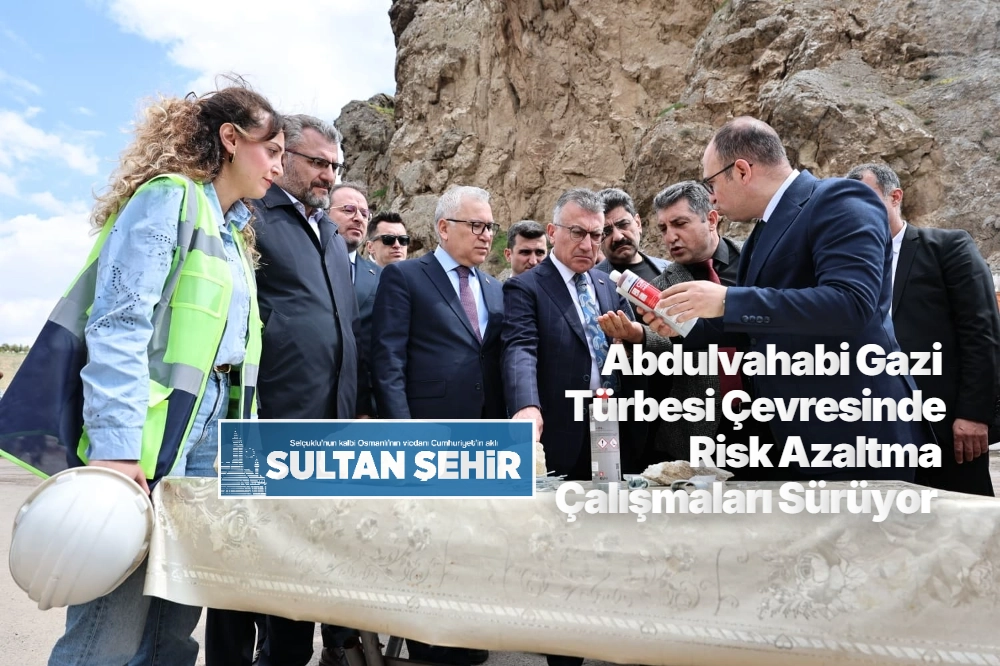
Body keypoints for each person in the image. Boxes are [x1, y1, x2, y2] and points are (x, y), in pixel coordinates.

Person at [0, 83, 283, 666]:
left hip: (214, 436)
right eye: (271, 149)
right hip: (153, 432)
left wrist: (244, 464)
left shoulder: (235, 233)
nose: (279, 166)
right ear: (231, 140)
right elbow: (119, 324)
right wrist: (117, 445)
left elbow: (238, 362)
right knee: (111, 627)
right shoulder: (169, 198)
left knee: (174, 625)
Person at [641, 117, 929, 481]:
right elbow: (757, 327)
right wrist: (683, 325)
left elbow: (852, 303)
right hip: (796, 433)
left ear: (742, 171)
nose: (711, 196)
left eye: (711, 183)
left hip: (854, 426)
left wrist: (729, 300)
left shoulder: (840, 199)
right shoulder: (761, 233)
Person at [205, 115, 363, 666]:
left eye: (334, 166)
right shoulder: (250, 215)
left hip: (328, 427)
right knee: (242, 563)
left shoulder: (330, 234)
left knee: (300, 564)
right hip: (261, 423)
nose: (328, 176)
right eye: (317, 163)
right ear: (283, 156)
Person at [372, 185, 504, 666]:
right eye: (476, 225)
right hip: (426, 438)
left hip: (484, 440)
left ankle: (469, 635)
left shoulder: (493, 287)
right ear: (444, 227)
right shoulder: (406, 277)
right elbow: (387, 360)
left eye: (490, 226)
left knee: (473, 543)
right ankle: (429, 645)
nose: (486, 235)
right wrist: (403, 434)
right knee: (428, 545)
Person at [847, 163, 1000, 496]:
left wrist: (974, 415)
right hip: (872, 430)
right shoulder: (846, 266)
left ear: (895, 197)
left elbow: (981, 334)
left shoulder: (947, 248)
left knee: (960, 520)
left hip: (944, 428)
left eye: (866, 199)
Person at [329, 182, 380, 418]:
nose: (358, 218)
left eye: (364, 213)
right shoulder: (306, 266)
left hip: (359, 407)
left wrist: (366, 408)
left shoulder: (379, 277)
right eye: (348, 210)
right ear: (323, 214)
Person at [594, 187, 669, 290]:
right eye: (606, 231)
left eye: (623, 224)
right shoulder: (591, 284)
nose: (618, 237)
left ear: (638, 223)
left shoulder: (671, 270)